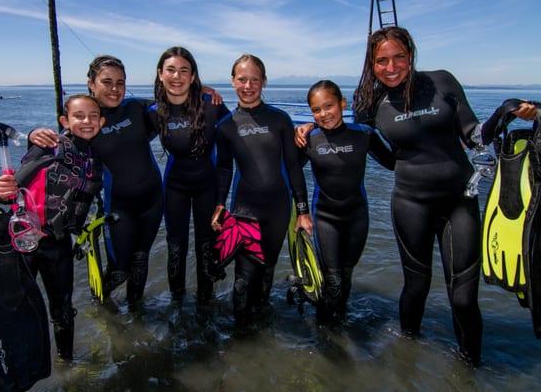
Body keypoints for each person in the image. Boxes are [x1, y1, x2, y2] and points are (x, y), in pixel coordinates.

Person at [296, 26, 536, 365]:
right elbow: (352, 135)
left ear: (410, 55)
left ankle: (470, 371)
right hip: (410, 203)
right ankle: (406, 363)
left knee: (465, 299)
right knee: (415, 287)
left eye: (399, 58)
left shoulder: (442, 82)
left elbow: (475, 137)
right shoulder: (369, 102)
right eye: (382, 61)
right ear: (372, 64)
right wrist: (310, 127)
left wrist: (504, 112)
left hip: (459, 200)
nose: (391, 67)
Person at [30, 55, 163, 310]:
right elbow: (57, 149)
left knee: (141, 259)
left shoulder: (136, 108)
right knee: (120, 268)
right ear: (91, 83)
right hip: (118, 208)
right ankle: (102, 310)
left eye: (120, 82)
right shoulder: (88, 122)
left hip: (153, 201)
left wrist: (201, 89)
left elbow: (174, 102)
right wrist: (33, 135)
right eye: (107, 82)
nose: (115, 88)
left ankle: (137, 312)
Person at [0, 94, 105, 361]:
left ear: (101, 122)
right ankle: (12, 364)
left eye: (93, 116)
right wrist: (2, 192)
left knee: (63, 311)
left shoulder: (94, 159)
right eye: (79, 116)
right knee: (15, 308)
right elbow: (12, 190)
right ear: (64, 120)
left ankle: (65, 362)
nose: (87, 121)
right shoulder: (49, 146)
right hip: (24, 242)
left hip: (58, 244)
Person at [211, 54, 312, 325]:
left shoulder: (280, 119)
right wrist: (220, 204)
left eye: (254, 79)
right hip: (245, 209)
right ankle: (241, 336)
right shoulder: (225, 126)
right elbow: (223, 169)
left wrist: (302, 210)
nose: (248, 85)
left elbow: (293, 167)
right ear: (232, 82)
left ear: (263, 82)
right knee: (243, 279)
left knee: (267, 270)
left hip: (278, 208)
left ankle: (262, 327)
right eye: (242, 79)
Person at [299, 80, 394, 322]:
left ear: (342, 104)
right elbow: (290, 171)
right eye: (316, 110)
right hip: (325, 217)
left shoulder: (363, 135)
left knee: (346, 274)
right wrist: (300, 210)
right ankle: (323, 330)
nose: (323, 114)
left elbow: (394, 162)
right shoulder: (310, 139)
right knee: (333, 279)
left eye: (328, 106)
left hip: (357, 217)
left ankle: (339, 321)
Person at [148, 47, 230, 304]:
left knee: (207, 246)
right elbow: (114, 121)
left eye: (184, 70)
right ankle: (177, 302)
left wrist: (303, 130)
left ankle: (206, 302)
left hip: (208, 183)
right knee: (176, 246)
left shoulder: (212, 105)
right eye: (170, 69)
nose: (177, 76)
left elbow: (242, 130)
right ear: (160, 74)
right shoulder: (153, 111)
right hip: (175, 185)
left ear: (193, 77)